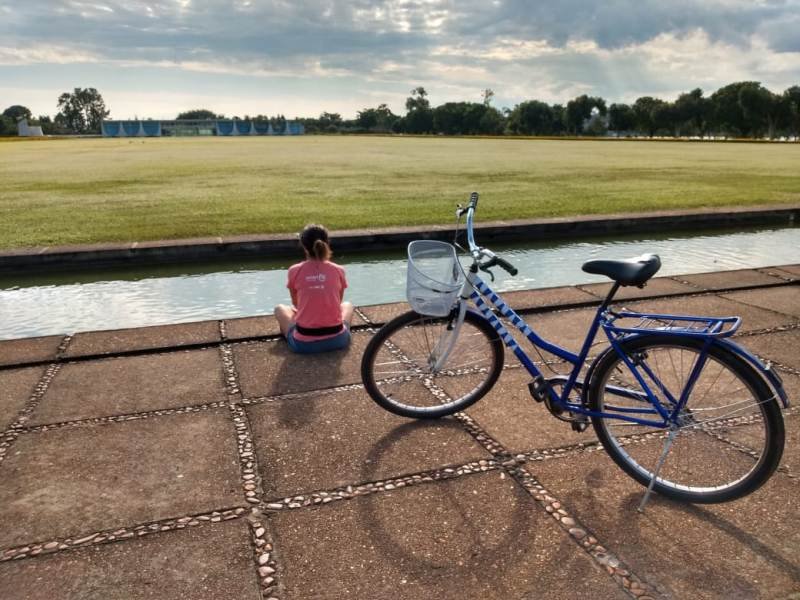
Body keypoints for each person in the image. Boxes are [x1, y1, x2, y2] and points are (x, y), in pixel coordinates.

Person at [274, 224, 353, 354]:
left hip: (303, 344)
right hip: (338, 340)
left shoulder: (295, 270)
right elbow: (337, 302)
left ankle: (292, 334)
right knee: (347, 305)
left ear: (303, 245)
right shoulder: (338, 270)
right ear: (327, 242)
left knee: (280, 309)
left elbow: (296, 303)